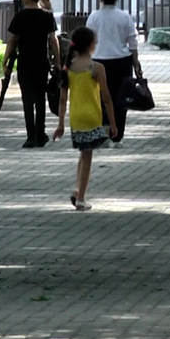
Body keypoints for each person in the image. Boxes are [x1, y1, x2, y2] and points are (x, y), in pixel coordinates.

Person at [53, 27, 117, 211]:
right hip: (91, 117)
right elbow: (106, 98)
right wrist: (112, 122)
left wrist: (60, 124)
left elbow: (63, 100)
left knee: (83, 153)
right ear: (91, 45)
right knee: (87, 156)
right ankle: (81, 198)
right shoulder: (96, 68)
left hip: (75, 118)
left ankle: (76, 189)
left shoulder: (68, 68)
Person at [3, 0, 61, 148]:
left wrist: (5, 61)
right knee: (40, 98)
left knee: (27, 100)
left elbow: (12, 41)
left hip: (24, 63)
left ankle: (31, 136)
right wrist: (56, 62)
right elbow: (53, 40)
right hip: (42, 62)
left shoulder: (20, 17)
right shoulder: (47, 16)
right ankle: (40, 134)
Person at [85, 0, 141, 147]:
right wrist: (136, 63)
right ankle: (117, 136)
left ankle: (103, 134)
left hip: (98, 61)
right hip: (122, 62)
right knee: (121, 99)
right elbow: (132, 42)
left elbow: (88, 42)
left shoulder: (94, 17)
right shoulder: (124, 16)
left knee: (100, 99)